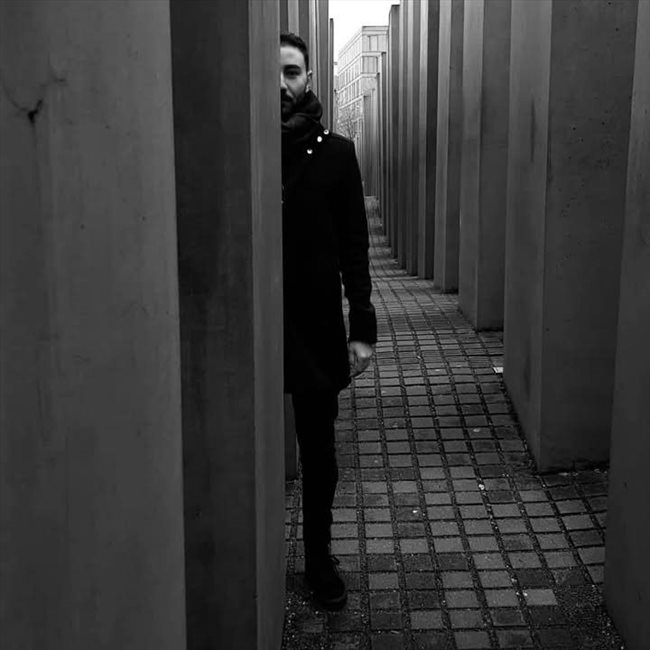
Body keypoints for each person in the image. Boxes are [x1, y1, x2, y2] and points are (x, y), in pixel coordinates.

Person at [280, 32, 377, 611]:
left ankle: (317, 556)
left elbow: (354, 246)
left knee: (318, 452)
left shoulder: (337, 153)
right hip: (254, 322)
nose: (280, 83)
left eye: (291, 72)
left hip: (314, 324)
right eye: (270, 72)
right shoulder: (243, 149)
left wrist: (361, 327)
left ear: (309, 78)